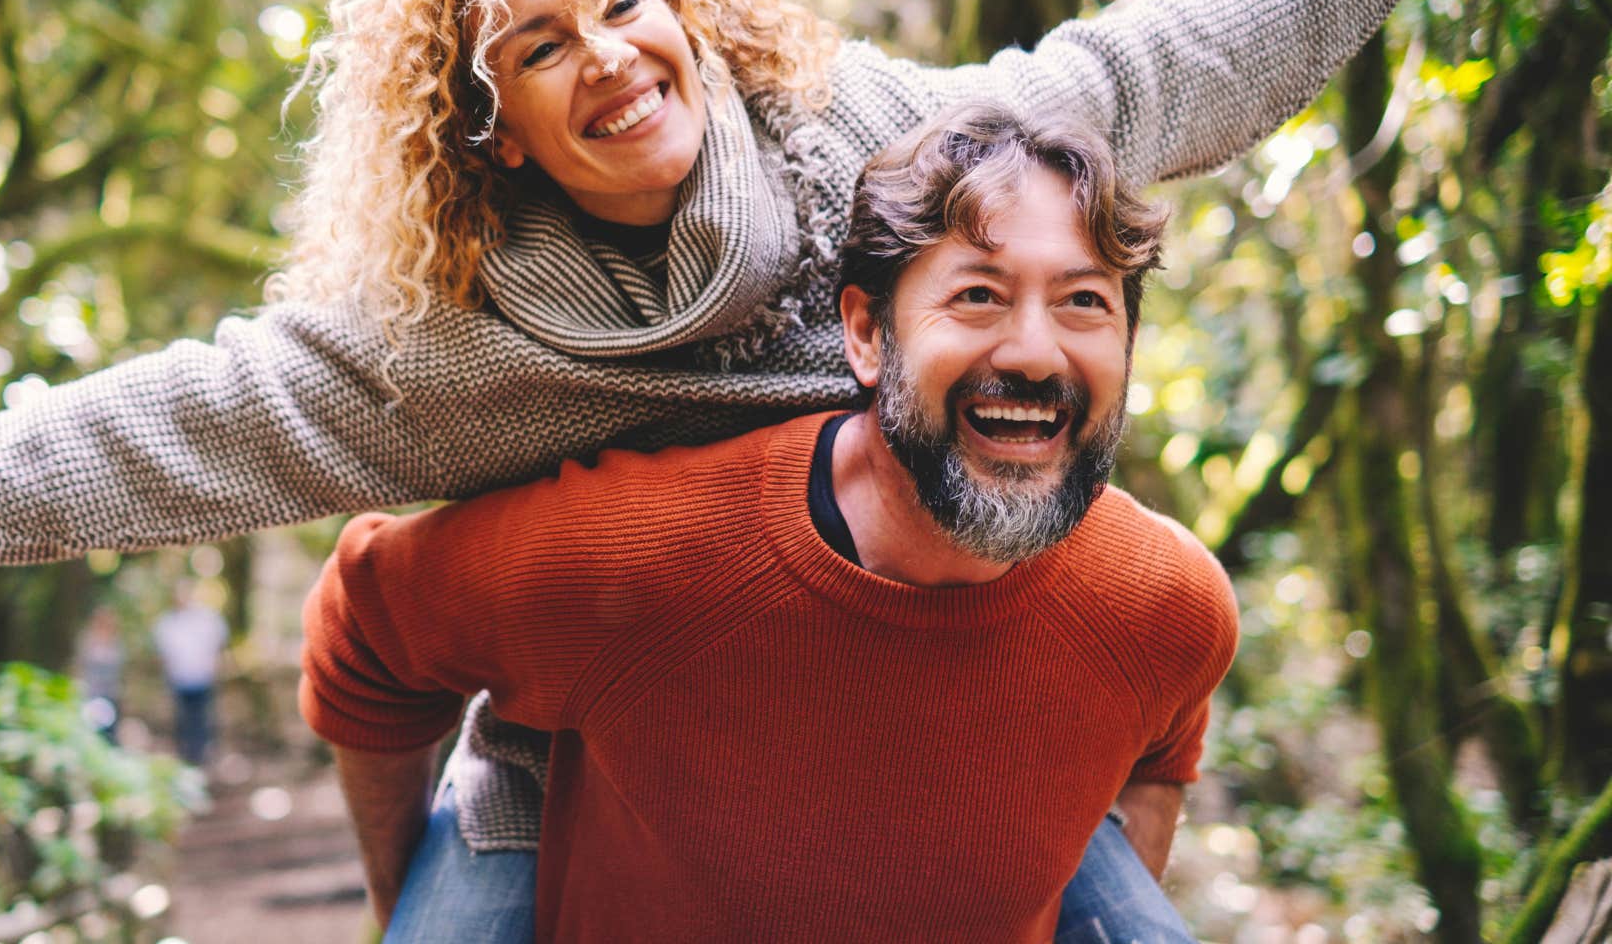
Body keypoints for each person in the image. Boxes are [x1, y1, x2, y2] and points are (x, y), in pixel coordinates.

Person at [0, 0, 1443, 935]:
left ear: (683, 10)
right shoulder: (450, 342)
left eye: (621, 2)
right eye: (541, 47)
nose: (609, 53)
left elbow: (1118, 82)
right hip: (588, 725)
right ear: (489, 128)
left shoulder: (853, 139)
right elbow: (182, 425)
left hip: (926, 655)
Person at [301, 99, 1238, 940]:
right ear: (868, 335)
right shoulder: (647, 558)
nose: (1035, 353)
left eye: (1084, 302)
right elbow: (368, 629)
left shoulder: (1166, 604)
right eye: (978, 296)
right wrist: (408, 906)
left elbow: (1162, 747)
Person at [152, 582, 231, 766]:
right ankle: (185, 757)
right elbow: (162, 653)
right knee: (182, 720)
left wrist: (217, 664)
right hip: (179, 680)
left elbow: (220, 641)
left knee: (201, 718)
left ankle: (201, 757)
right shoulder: (167, 624)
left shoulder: (206, 619)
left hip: (203, 678)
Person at [75, 605, 126, 743]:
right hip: (91, 693)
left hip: (110, 694)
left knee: (109, 734)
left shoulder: (116, 643)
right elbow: (81, 665)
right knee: (92, 732)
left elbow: (117, 667)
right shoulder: (88, 641)